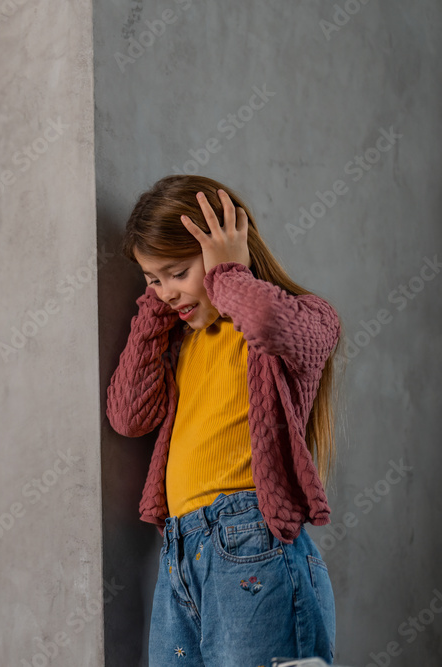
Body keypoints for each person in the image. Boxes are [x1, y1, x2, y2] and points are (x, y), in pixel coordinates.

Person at [105, 175, 341, 665]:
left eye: (177, 271)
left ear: (224, 248)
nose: (166, 292)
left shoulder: (306, 319)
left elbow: (269, 324)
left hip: (254, 545)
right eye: (152, 279)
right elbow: (127, 416)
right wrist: (156, 302)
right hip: (181, 554)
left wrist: (230, 272)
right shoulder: (181, 345)